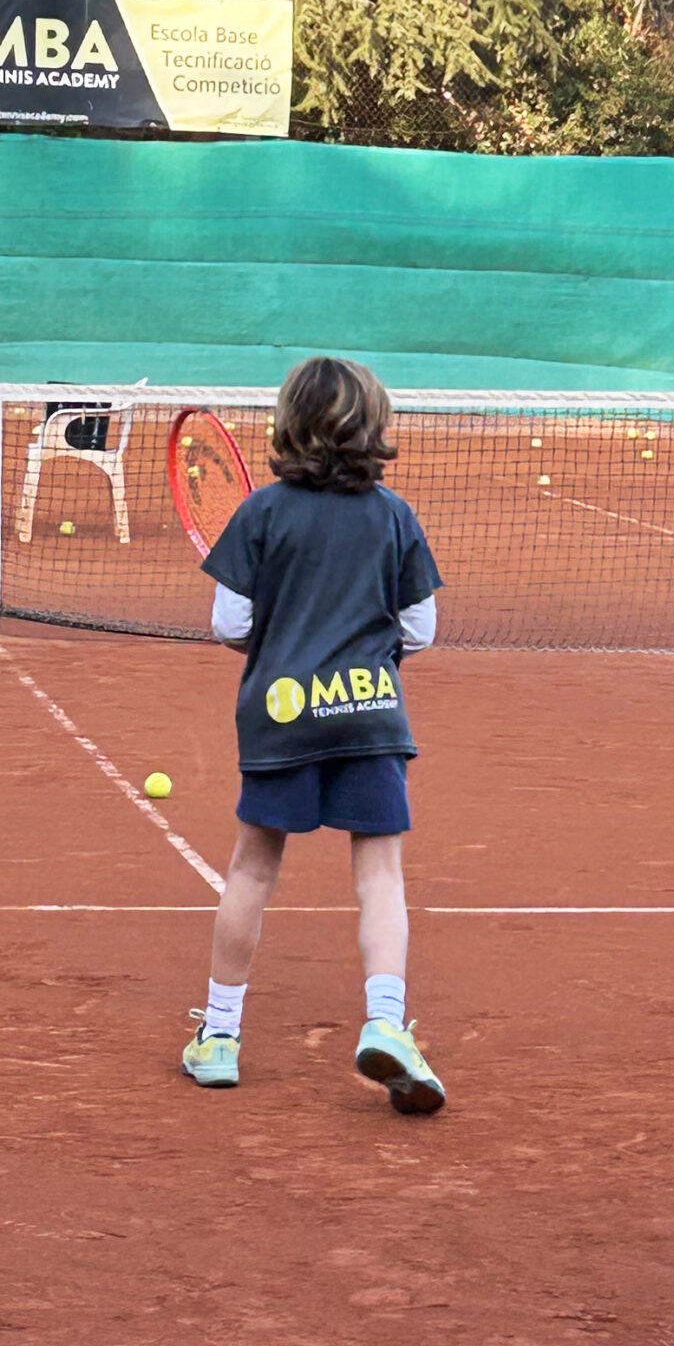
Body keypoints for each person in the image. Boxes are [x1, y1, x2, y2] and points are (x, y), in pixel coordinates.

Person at [180, 356, 448, 1113]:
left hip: (283, 713)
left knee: (252, 872)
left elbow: (230, 624)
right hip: (370, 713)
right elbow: (420, 628)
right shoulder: (394, 514)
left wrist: (277, 643)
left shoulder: (263, 511)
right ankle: (388, 1024)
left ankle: (222, 1038)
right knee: (381, 877)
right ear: (373, 428)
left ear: (288, 424)